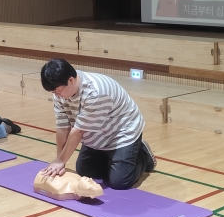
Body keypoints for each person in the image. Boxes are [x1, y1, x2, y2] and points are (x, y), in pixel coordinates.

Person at [40, 59, 155, 190]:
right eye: (54, 92)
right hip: (96, 133)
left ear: (71, 80)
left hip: (121, 133)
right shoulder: (59, 92)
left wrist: (61, 161)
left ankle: (143, 155)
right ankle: (114, 159)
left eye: (58, 91)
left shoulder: (95, 92)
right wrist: (59, 160)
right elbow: (62, 127)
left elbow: (78, 131)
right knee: (84, 171)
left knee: (119, 182)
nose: (57, 95)